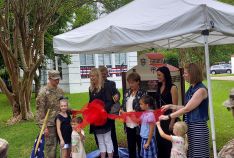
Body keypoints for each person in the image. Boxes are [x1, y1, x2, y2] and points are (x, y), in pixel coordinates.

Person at [159, 63, 210, 158]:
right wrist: (171, 106)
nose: (183, 75)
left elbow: (187, 109)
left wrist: (168, 116)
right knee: (190, 154)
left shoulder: (201, 90)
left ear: (192, 74)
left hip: (198, 127)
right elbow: (186, 106)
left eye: (185, 73)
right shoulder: (192, 88)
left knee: (198, 154)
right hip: (189, 126)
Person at [36, 69, 64, 158]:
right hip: (50, 124)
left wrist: (70, 110)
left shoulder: (60, 90)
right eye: (55, 79)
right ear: (49, 78)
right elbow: (40, 111)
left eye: (58, 79)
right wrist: (44, 127)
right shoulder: (43, 92)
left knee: (64, 145)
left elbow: (63, 104)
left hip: (61, 122)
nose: (57, 81)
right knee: (51, 147)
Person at [120, 72, 146, 158]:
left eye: (132, 82)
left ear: (138, 81)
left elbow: (141, 107)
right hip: (128, 123)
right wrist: (121, 110)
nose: (130, 84)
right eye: (129, 82)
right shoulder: (127, 92)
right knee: (131, 146)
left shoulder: (143, 93)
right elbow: (124, 104)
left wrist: (127, 113)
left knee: (140, 145)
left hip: (138, 123)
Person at [89, 68, 113, 158]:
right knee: (100, 141)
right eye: (90, 76)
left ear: (98, 76)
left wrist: (102, 110)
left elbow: (109, 102)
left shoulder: (105, 87)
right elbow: (90, 102)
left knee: (107, 140)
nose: (91, 78)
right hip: (96, 119)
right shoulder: (91, 89)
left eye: (93, 76)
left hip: (104, 118)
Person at [155, 66, 178, 158]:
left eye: (159, 75)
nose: (158, 77)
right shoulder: (159, 86)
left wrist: (172, 122)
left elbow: (175, 107)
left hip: (169, 118)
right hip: (160, 119)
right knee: (160, 143)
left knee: (168, 144)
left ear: (165, 75)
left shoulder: (173, 88)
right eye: (157, 75)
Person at [99, 66, 120, 158]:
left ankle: (115, 153)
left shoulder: (111, 83)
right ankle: (104, 153)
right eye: (102, 73)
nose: (104, 75)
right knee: (100, 136)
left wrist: (117, 95)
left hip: (109, 113)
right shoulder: (94, 85)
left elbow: (116, 93)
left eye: (105, 73)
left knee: (112, 134)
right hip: (98, 115)